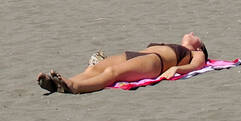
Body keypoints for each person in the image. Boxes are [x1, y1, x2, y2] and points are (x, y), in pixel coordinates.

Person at [37, 34, 209, 94]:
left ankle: (74, 86)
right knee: (97, 68)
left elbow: (197, 66)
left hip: (156, 61)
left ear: (199, 45)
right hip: (137, 55)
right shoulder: (178, 46)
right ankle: (58, 83)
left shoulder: (196, 53)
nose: (191, 33)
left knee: (113, 72)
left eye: (195, 35)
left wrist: (176, 68)